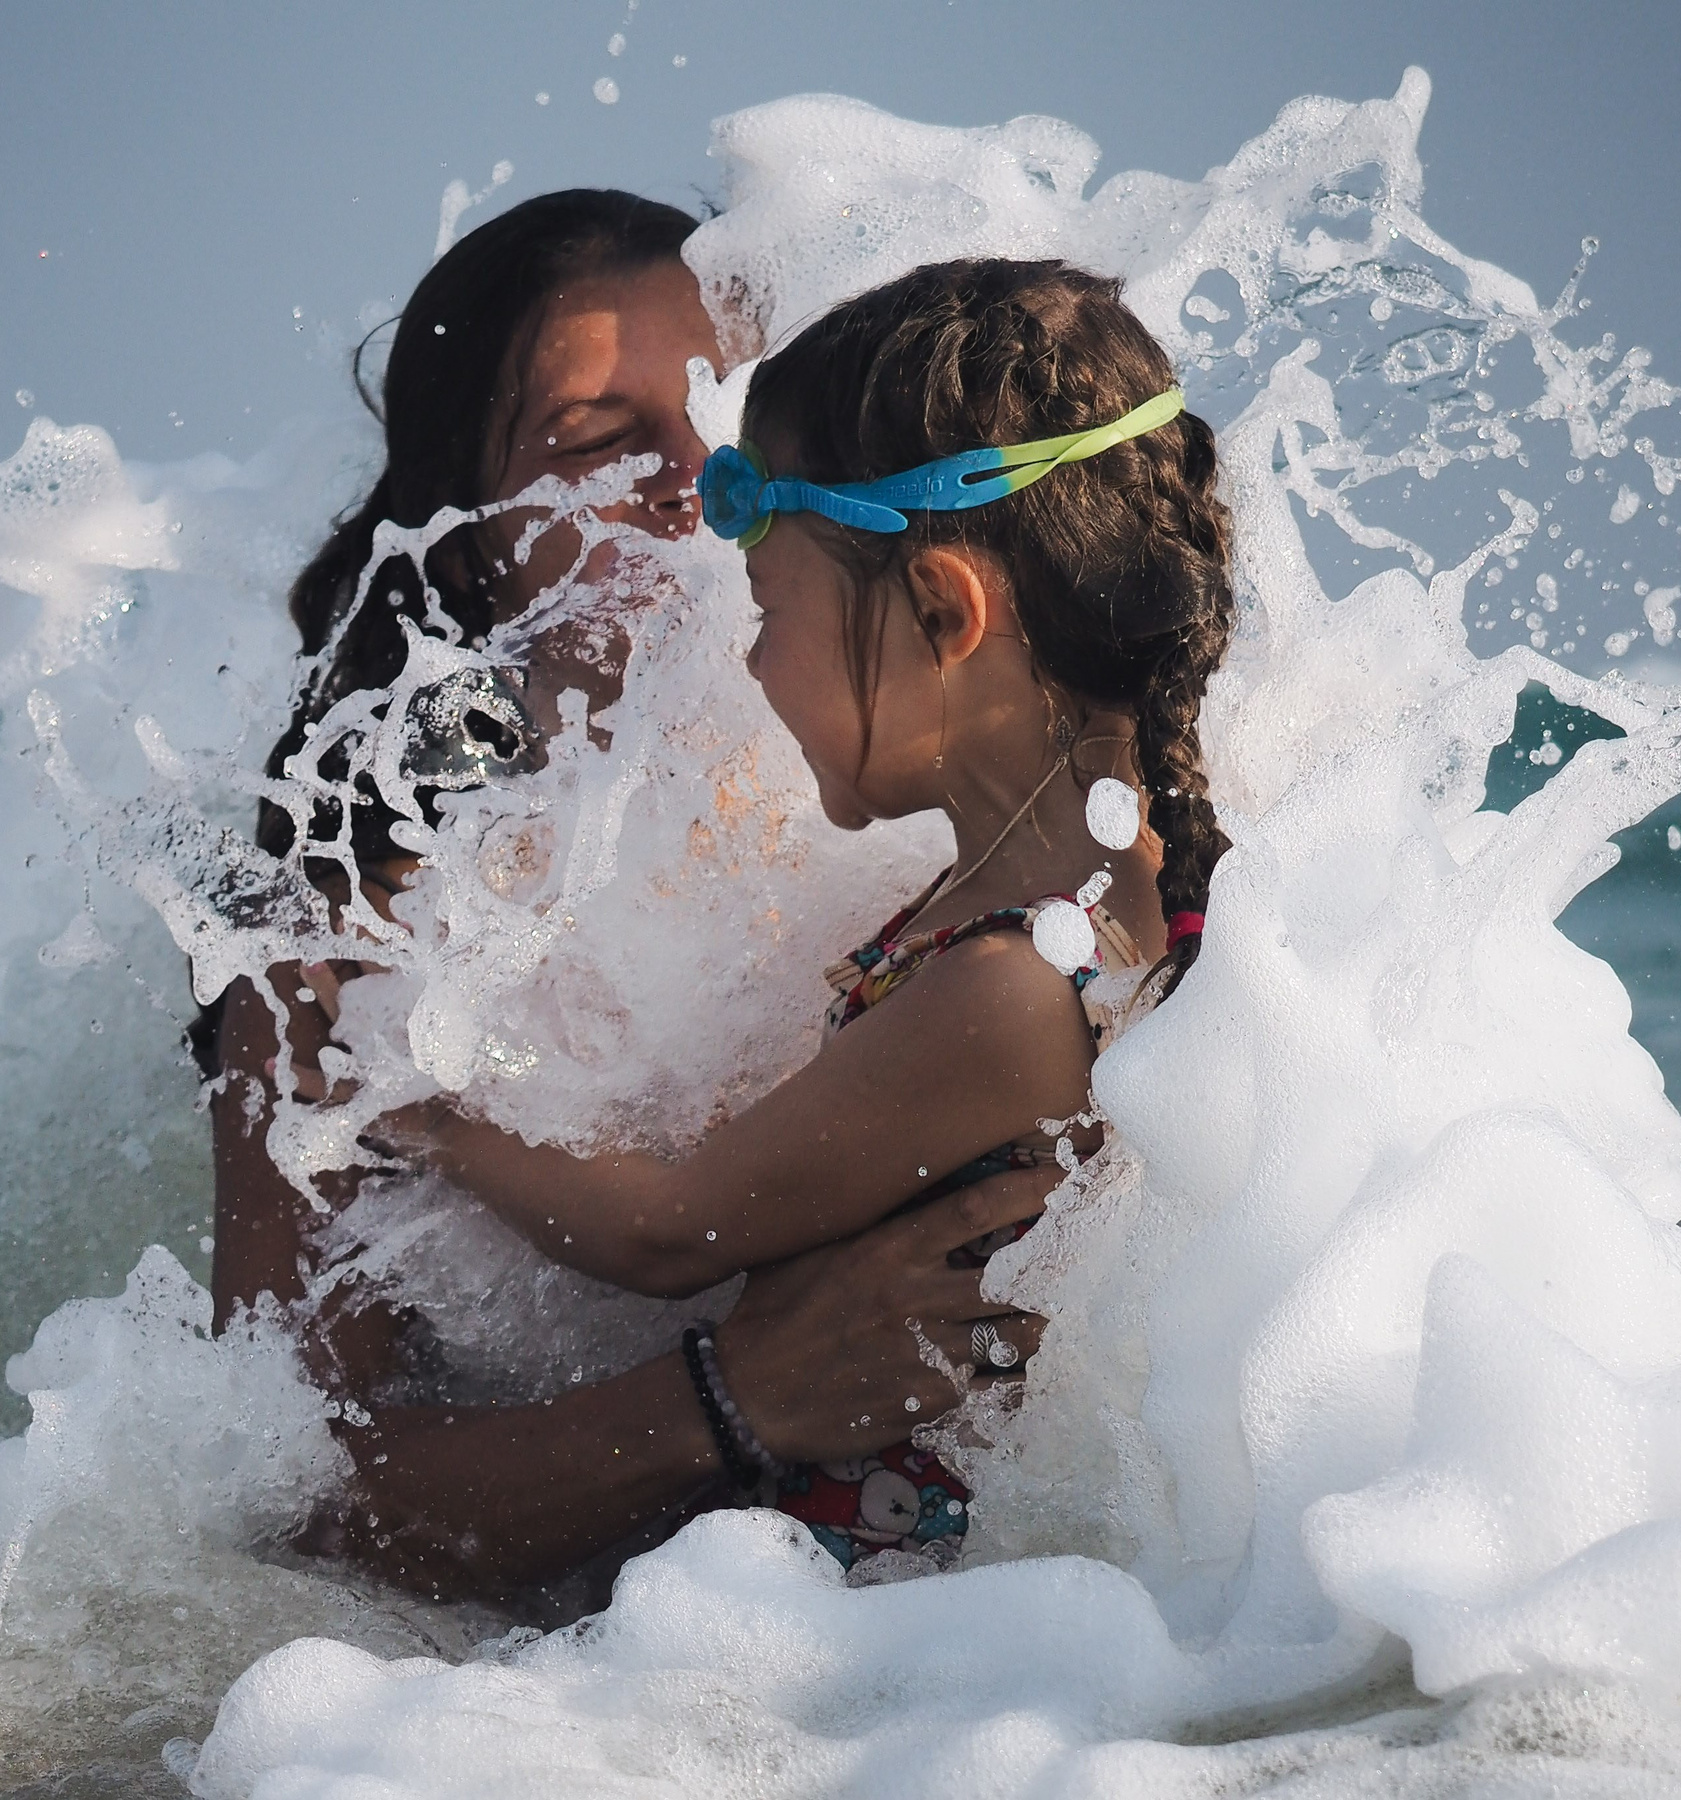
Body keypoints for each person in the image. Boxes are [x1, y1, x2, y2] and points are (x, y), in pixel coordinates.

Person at [201, 193, 1054, 1610]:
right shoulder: (346, 960)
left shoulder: (945, 825)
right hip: (589, 1722)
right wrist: (725, 1403)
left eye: (729, 408)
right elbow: (289, 1518)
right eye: (600, 442)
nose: (692, 477)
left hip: (1013, 1658)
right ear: (473, 547)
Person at [379, 257, 1234, 1572]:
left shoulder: (1008, 983)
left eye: (775, 607)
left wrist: (421, 1117)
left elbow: (666, 1230)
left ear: (944, 610)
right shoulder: (1086, 895)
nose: (754, 657)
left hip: (868, 1620)